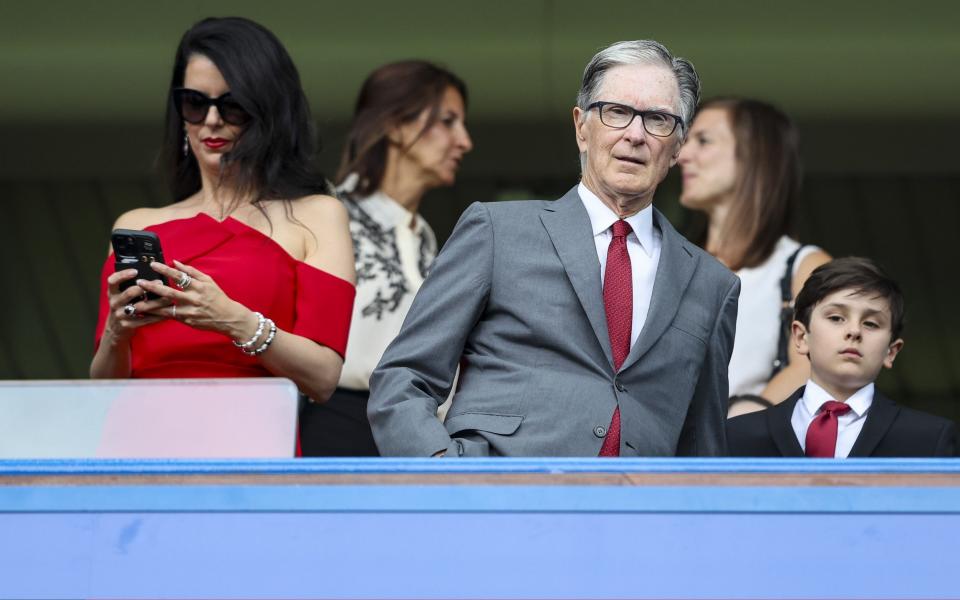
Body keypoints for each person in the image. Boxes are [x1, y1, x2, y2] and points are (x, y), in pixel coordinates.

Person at [367, 40, 740, 457]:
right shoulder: (497, 231)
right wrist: (447, 478)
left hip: (638, 512)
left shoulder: (712, 284)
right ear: (582, 126)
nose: (636, 134)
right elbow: (404, 379)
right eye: (617, 112)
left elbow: (703, 444)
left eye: (658, 119)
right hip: (500, 499)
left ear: (677, 147)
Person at [90, 18, 356, 412]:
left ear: (267, 111)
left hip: (251, 442)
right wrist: (117, 332)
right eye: (195, 104)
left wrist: (233, 319)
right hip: (138, 443)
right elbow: (101, 388)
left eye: (231, 105)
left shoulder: (317, 215)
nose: (212, 120)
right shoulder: (136, 224)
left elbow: (322, 377)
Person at [299, 61, 473, 456]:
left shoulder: (427, 238)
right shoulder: (328, 214)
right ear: (395, 125)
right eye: (447, 121)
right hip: (335, 427)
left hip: (416, 434)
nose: (464, 141)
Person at [677, 98, 831, 415]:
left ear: (754, 155)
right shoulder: (669, 261)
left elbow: (813, 369)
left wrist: (734, 430)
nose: (681, 155)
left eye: (703, 141)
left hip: (747, 456)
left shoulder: (804, 267)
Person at [727, 257, 957, 457]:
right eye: (836, 318)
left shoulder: (930, 439)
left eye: (871, 323)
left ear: (891, 351)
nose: (854, 331)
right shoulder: (736, 435)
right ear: (800, 336)